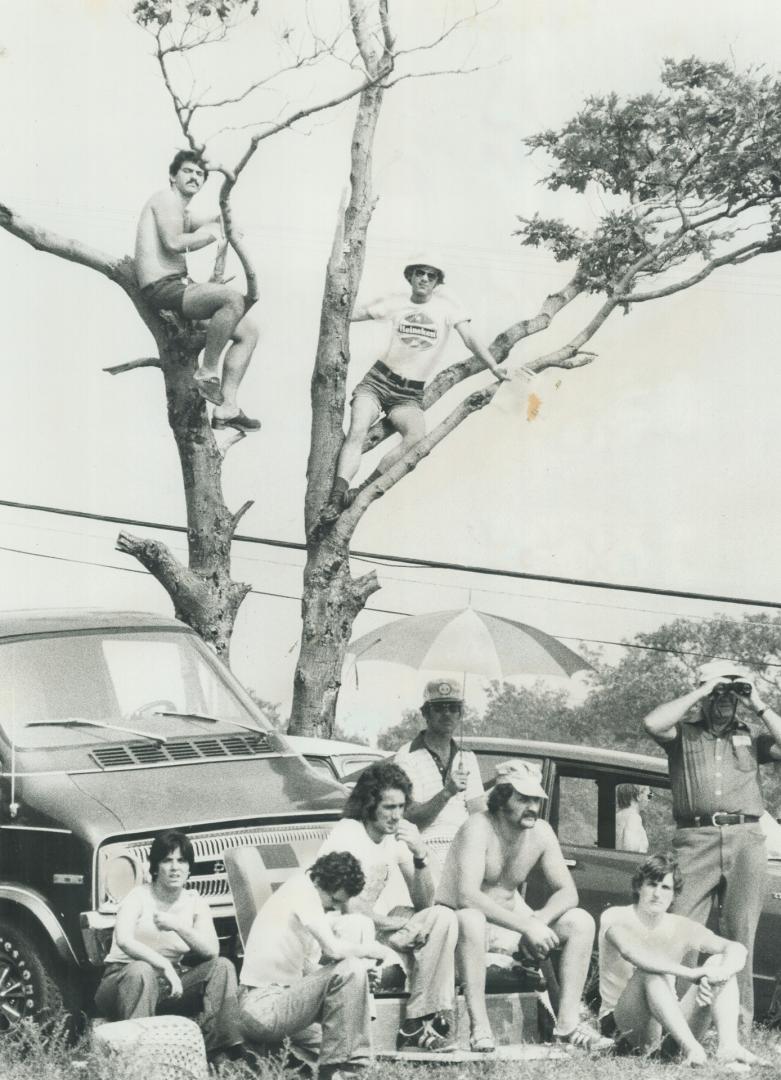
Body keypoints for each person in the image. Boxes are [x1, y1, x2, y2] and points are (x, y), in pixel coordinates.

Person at [437, 759, 611, 1053]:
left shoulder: (540, 832)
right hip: (464, 929)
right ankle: (480, 1027)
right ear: (502, 797)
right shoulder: (478, 827)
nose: (533, 806)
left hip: (511, 927)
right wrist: (527, 925)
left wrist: (539, 921)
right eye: (524, 799)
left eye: (536, 799)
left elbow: (568, 892)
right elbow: (467, 895)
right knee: (471, 918)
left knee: (580, 921)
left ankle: (567, 1025)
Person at [319, 256, 510, 524]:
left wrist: (492, 366)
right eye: (419, 273)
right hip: (377, 382)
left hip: (408, 395)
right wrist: (332, 299)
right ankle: (336, 496)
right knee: (358, 429)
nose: (424, 279)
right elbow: (350, 313)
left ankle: (359, 492)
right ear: (410, 277)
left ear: (437, 283)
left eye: (431, 276)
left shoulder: (447, 309)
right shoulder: (397, 303)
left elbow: (469, 338)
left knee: (416, 437)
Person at [642, 659, 781, 1027]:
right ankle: (676, 1019)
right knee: (682, 928)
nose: (724, 700)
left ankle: (736, 1025)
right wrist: (705, 688)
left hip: (746, 838)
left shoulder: (751, 734)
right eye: (718, 693)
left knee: (741, 930)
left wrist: (758, 703)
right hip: (695, 837)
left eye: (731, 694)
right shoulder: (683, 733)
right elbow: (652, 723)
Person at [316, 761, 459, 1052]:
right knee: (366, 923)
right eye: (388, 808)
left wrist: (420, 856)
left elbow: (425, 902)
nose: (396, 816)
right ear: (369, 806)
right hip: (339, 929)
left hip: (378, 927)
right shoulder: (349, 833)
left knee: (442, 917)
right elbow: (345, 905)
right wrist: (399, 925)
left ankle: (416, 1022)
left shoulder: (394, 838)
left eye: (401, 807)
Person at [135, 149, 260, 433]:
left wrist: (225, 221)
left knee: (249, 332)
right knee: (231, 299)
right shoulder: (164, 200)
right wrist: (213, 234)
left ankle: (228, 407)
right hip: (162, 287)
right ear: (172, 176)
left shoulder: (181, 209)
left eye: (200, 174)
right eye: (188, 171)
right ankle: (207, 371)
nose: (195, 177)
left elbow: (206, 221)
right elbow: (174, 243)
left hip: (179, 286)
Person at [598, 852, 760, 1069]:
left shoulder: (680, 925)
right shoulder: (616, 916)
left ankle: (728, 1046)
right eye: (651, 885)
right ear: (639, 887)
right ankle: (692, 1048)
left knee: (718, 961)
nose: (657, 893)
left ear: (674, 895)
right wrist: (693, 974)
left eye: (665, 888)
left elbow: (735, 948)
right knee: (650, 973)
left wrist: (718, 974)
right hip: (623, 1023)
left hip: (669, 1022)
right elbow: (633, 954)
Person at [94, 829, 243, 1061]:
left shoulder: (195, 902)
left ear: (189, 867)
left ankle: (220, 1053)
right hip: (122, 982)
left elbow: (211, 951)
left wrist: (177, 926)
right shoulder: (138, 896)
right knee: (141, 970)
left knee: (223, 966)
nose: (175, 868)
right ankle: (140, 1060)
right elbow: (123, 939)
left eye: (181, 861)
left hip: (169, 986)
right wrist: (163, 964)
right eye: (167, 860)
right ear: (155, 866)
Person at [238, 851, 386, 1079]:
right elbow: (333, 950)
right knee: (351, 968)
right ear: (318, 881)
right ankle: (338, 1069)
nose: (333, 908)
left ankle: (334, 1064)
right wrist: (369, 951)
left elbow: (309, 970)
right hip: (262, 1006)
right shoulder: (302, 890)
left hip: (282, 1004)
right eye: (334, 900)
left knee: (340, 1032)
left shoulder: (307, 902)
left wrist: (359, 978)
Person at [393, 679, 485, 850]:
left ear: (460, 714)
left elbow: (478, 814)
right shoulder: (407, 756)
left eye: (453, 708)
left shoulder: (467, 756)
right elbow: (410, 818)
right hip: (423, 846)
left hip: (463, 846)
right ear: (426, 713)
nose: (447, 714)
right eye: (439, 708)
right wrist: (447, 792)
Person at [615, 784, 649, 853]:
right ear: (639, 796)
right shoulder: (634, 818)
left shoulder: (617, 816)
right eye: (649, 795)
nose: (649, 799)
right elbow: (631, 851)